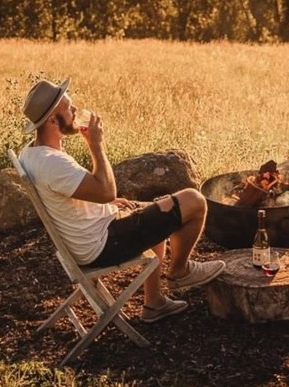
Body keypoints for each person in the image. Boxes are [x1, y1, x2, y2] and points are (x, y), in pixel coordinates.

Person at [18, 78, 225, 323]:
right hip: (101, 245)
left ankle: (154, 303)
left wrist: (107, 204)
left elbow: (80, 196)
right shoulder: (53, 163)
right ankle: (180, 271)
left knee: (151, 209)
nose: (75, 110)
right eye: (68, 108)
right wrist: (96, 145)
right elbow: (104, 190)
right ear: (53, 120)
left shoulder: (32, 153)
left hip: (89, 236)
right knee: (194, 200)